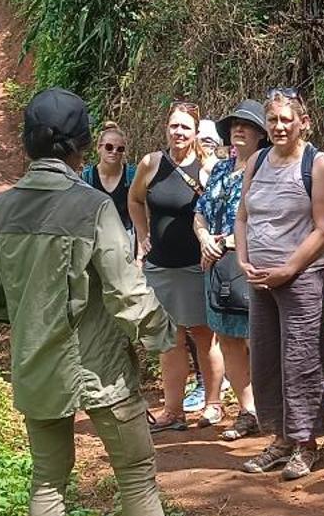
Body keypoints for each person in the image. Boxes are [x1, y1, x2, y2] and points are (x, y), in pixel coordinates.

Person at [0, 88, 217, 516]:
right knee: (135, 473)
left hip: (37, 362)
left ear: (28, 143)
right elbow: (127, 293)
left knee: (47, 480)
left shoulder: (4, 207)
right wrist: (162, 335)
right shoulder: (92, 207)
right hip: (100, 363)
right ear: (81, 147)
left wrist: (31, 313)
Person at [235, 88, 324, 481]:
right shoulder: (258, 161)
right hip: (260, 278)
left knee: (302, 360)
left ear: (303, 123)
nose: (279, 127)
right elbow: (243, 215)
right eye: (273, 120)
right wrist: (243, 259)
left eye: (286, 120)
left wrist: (288, 270)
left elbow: (323, 228)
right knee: (266, 358)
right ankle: (279, 439)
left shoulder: (318, 164)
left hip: (303, 277)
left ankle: (306, 443)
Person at [129, 101, 224, 430]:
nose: (179, 132)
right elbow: (135, 199)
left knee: (203, 335)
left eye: (185, 126)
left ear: (196, 131)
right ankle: (173, 412)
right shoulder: (150, 163)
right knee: (169, 341)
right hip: (160, 267)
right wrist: (142, 235)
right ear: (166, 128)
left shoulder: (209, 167)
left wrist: (213, 243)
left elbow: (223, 210)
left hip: (195, 266)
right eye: (174, 126)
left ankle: (213, 404)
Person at [197, 99, 268, 441]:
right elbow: (200, 211)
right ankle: (248, 409)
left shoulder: (267, 168)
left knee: (260, 338)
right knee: (227, 337)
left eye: (248, 125)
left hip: (251, 263)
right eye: (234, 124)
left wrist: (227, 244)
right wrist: (203, 238)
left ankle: (272, 408)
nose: (239, 129)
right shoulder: (222, 169)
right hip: (217, 266)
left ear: (260, 134)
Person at [81, 121, 136, 237]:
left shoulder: (131, 175)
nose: (114, 152)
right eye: (109, 147)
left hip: (124, 236)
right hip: (95, 236)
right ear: (99, 148)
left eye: (120, 149)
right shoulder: (87, 177)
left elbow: (139, 208)